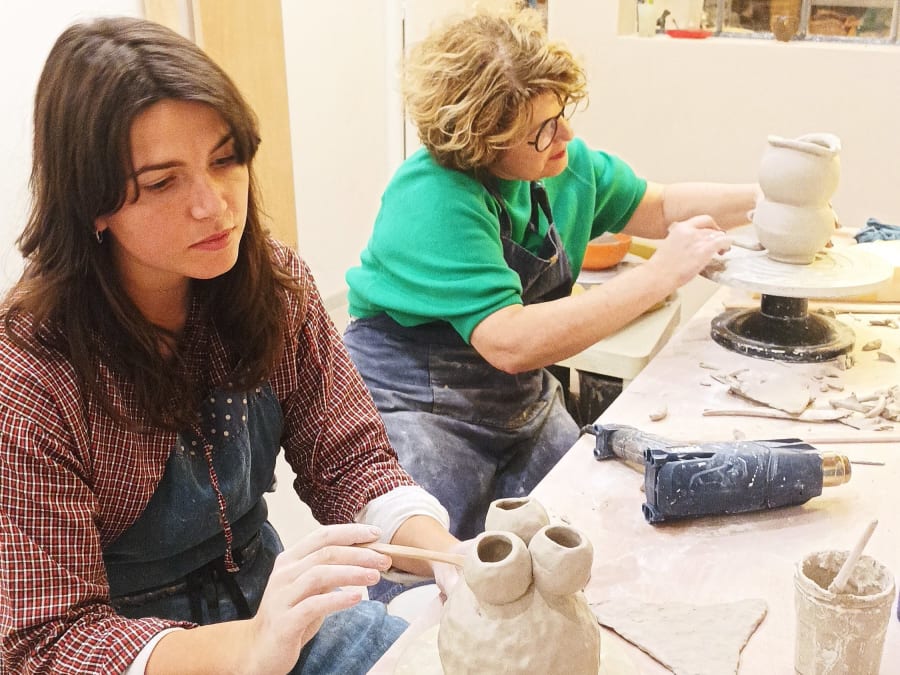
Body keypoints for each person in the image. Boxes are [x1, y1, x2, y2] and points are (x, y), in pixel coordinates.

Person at [0, 17, 460, 675]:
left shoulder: (275, 287)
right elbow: (47, 643)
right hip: (146, 650)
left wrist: (455, 558)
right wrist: (246, 648)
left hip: (270, 605)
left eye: (225, 160)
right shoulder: (30, 374)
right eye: (163, 182)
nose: (214, 205)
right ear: (91, 202)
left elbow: (349, 460)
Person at [343, 3, 760, 543]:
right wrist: (661, 275)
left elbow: (659, 207)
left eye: (561, 111)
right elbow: (511, 342)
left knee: (578, 528)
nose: (564, 133)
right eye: (541, 129)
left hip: (516, 398)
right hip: (418, 408)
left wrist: (768, 199)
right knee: (442, 586)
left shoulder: (562, 163)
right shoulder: (433, 197)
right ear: (482, 140)